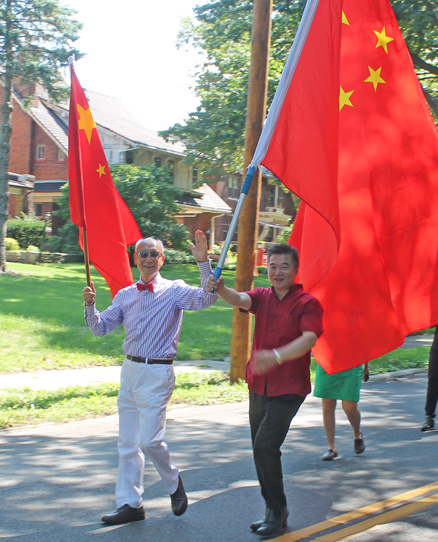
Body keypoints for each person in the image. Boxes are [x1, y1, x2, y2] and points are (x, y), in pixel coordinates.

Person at [82, 230, 217, 525]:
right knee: (127, 442)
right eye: (143, 254)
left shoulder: (174, 290)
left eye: (154, 254)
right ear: (135, 259)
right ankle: (130, 504)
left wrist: (203, 262)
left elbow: (207, 298)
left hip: (157, 371)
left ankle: (173, 482)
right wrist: (90, 306)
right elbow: (100, 329)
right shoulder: (125, 295)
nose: (148, 259)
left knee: (150, 440)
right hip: (129, 371)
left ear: (162, 259)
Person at [206, 243, 323, 537]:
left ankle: (277, 510)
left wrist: (276, 356)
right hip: (259, 384)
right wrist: (220, 288)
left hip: (289, 387)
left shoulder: (308, 303)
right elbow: (239, 298)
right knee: (260, 449)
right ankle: (273, 509)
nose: (277, 271)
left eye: (284, 266)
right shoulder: (262, 296)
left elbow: (309, 339)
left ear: (295, 270)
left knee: (265, 446)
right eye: (272, 266)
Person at [314, 363, 369, 460]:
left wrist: (366, 366)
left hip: (352, 363)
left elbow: (364, 347)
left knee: (350, 407)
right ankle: (331, 447)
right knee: (328, 405)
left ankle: (357, 433)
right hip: (327, 363)